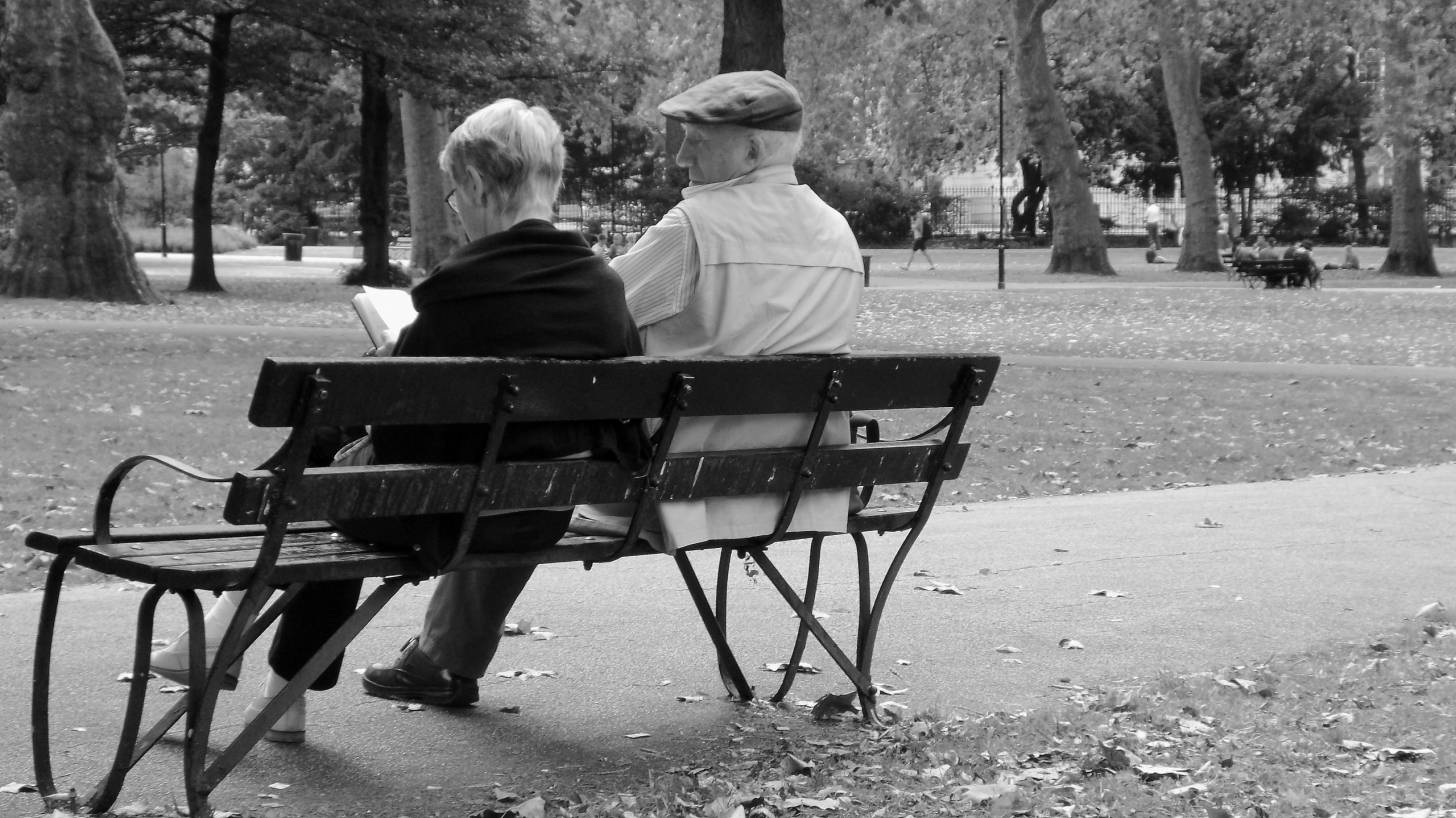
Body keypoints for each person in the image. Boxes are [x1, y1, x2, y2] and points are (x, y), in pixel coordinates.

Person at [360, 70, 864, 701]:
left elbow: (572, 308)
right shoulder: (837, 232)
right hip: (801, 479)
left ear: (752, 150)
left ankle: (441, 658)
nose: (680, 156)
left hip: (680, 483)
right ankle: (442, 656)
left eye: (695, 141)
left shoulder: (696, 228)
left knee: (530, 444)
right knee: (542, 433)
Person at [150, 98, 647, 738]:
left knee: (328, 466)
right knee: (331, 458)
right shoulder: (606, 288)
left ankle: (238, 641)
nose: (456, 210)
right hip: (538, 512)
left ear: (473, 184)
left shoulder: (460, 287)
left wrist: (391, 365)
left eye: (453, 195)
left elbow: (399, 438)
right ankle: (262, 677)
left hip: (444, 515)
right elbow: (624, 419)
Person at [900, 206, 935, 270]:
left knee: (912, 252)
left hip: (919, 238)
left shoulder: (918, 220)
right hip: (920, 238)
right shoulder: (918, 218)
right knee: (925, 253)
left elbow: (914, 228)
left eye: (911, 216)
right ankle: (932, 266)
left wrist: (912, 221)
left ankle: (907, 267)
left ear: (913, 215)